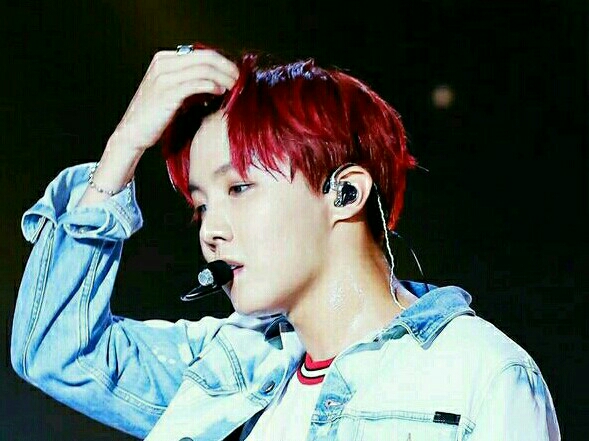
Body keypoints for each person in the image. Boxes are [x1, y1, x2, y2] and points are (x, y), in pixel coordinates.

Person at [11, 43, 560, 441]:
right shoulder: (225, 368)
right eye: (201, 206)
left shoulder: (480, 373)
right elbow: (56, 350)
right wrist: (123, 149)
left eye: (239, 188)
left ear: (345, 193)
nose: (210, 231)